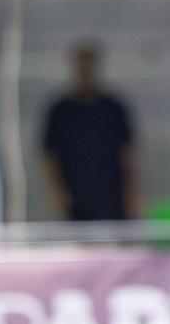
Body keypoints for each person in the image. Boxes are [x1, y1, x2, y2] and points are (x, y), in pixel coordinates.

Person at [43, 42, 137, 221]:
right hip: (75, 193)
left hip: (111, 191)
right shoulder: (61, 110)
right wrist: (56, 189)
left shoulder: (113, 108)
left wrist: (131, 190)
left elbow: (127, 150)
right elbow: (49, 152)